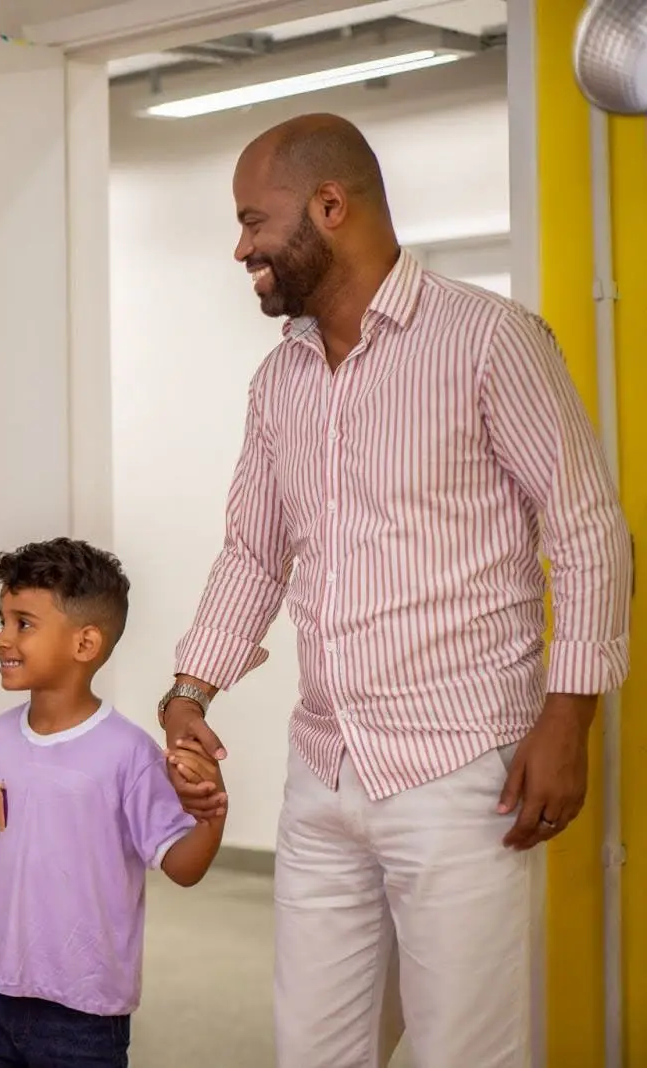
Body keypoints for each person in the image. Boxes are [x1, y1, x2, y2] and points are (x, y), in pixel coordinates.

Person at [158, 114, 631, 1068]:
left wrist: (567, 721)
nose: (241, 245)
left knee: (465, 1052)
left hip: (462, 773)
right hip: (325, 769)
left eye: (255, 221)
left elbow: (588, 532)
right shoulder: (279, 380)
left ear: (330, 208)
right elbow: (254, 551)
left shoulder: (490, 340)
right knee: (316, 1053)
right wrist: (189, 689)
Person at [0, 538, 226, 1067]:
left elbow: (182, 866)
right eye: (2, 620)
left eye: (23, 623)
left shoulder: (129, 752)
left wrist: (211, 818)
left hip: (85, 1017)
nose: (1, 638)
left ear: (85, 644)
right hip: (3, 996)